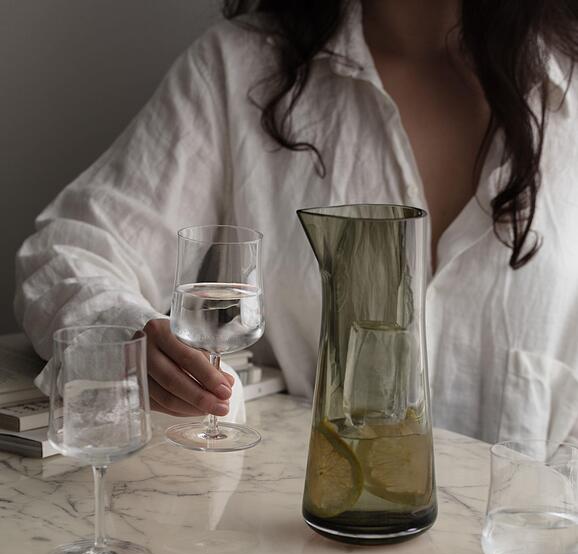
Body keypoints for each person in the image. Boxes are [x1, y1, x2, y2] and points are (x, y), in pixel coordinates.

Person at [15, 0, 578, 444]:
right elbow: (70, 252)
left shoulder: (567, 88)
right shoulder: (238, 69)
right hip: (294, 536)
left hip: (525, 548)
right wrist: (131, 337)